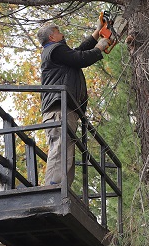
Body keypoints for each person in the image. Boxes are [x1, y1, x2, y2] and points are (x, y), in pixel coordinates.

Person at [36, 22, 110, 186]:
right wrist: (99, 48)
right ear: (51, 36)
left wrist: (97, 33)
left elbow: (77, 52)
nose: (61, 33)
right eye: (58, 31)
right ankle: (53, 190)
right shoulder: (55, 50)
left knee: (66, 151)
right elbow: (80, 58)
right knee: (61, 149)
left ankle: (62, 190)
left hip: (64, 108)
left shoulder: (57, 54)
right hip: (59, 108)